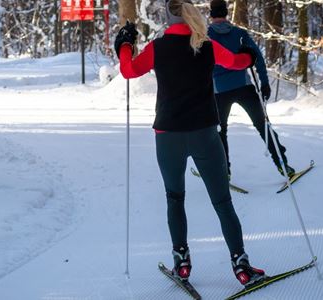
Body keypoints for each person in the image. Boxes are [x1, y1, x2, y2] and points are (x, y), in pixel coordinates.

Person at [114, 0, 266, 287]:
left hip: (167, 136)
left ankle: (181, 262)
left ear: (169, 20)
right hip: (204, 135)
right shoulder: (207, 46)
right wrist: (248, 54)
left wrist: (124, 43)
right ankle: (241, 264)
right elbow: (237, 62)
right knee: (222, 201)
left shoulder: (158, 48)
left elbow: (129, 71)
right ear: (192, 17)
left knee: (175, 198)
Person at [208, 0, 295, 178]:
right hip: (244, 87)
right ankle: (282, 164)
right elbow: (258, 57)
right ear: (226, 13)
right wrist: (264, 82)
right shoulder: (239, 34)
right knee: (263, 125)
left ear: (211, 14)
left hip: (219, 91)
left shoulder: (206, 35)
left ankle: (225, 172)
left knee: (220, 132)